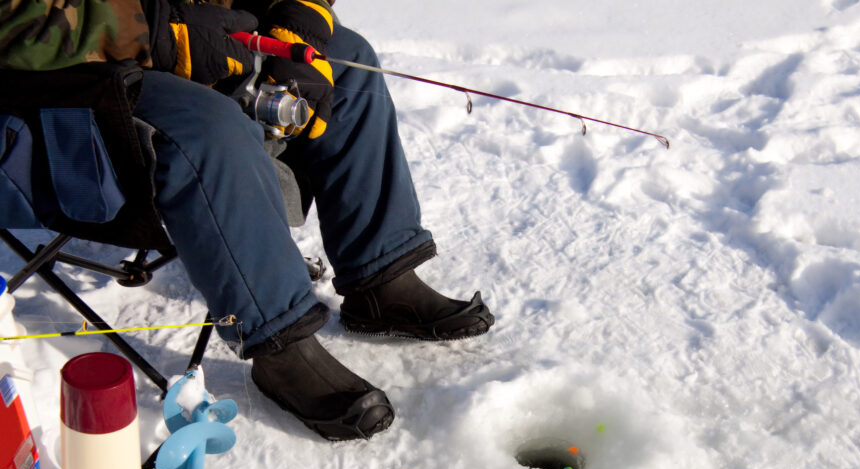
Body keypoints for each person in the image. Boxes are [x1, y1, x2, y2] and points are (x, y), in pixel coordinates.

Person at [0, 0, 494, 441]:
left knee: (348, 61)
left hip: (186, 34)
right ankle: (279, 344)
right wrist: (156, 33)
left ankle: (380, 275)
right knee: (212, 128)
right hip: (62, 73)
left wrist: (298, 25)